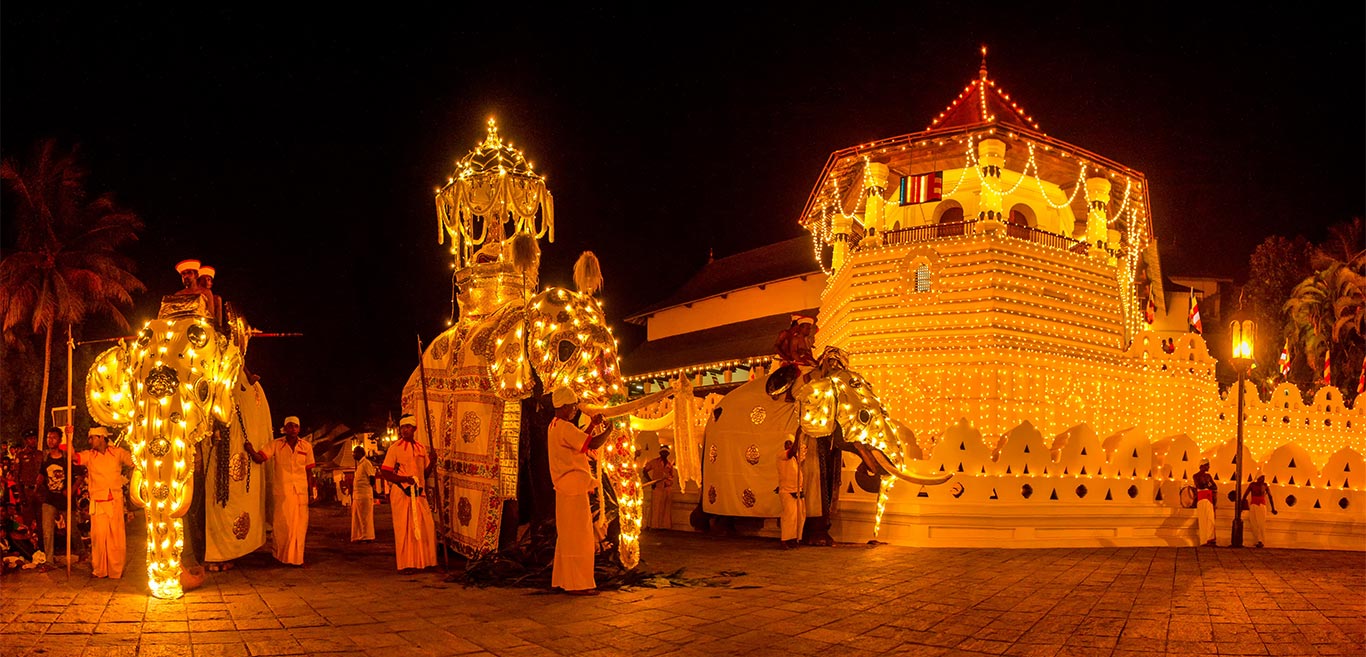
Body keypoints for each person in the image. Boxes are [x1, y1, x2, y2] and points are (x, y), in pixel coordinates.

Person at [547, 388, 613, 595]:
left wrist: (593, 425)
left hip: (565, 488)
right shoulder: (565, 427)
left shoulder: (554, 426)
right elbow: (591, 443)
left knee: (567, 537)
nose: (575, 410)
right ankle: (579, 584)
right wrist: (609, 430)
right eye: (574, 406)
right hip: (574, 488)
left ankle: (564, 580)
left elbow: (579, 442)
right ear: (565, 407)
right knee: (580, 538)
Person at [245, 416, 315, 566]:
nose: (293, 429)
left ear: (299, 429)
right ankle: (280, 557)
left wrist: (312, 491)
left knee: (300, 526)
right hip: (283, 492)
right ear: (285, 428)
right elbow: (259, 458)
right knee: (283, 526)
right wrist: (250, 449)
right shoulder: (276, 445)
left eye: (295, 426)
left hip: (301, 492)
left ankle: (298, 558)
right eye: (290, 426)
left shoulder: (306, 447)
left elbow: (309, 472)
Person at [65, 427, 133, 578]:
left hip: (115, 498)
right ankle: (100, 569)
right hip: (98, 500)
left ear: (102, 438)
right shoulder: (89, 456)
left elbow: (134, 462)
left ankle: (116, 571)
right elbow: (73, 457)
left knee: (116, 537)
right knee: (98, 537)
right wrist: (68, 437)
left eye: (93, 438)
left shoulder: (118, 452)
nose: (90, 441)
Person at [379, 415, 437, 571]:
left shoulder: (421, 448)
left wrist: (432, 462)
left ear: (414, 429)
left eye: (408, 427)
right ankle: (406, 564)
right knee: (404, 529)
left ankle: (427, 562)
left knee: (426, 527)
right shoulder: (394, 448)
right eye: (402, 427)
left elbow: (424, 474)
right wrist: (404, 479)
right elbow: (386, 472)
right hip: (401, 493)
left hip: (419, 493)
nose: (405, 430)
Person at [37, 427, 70, 569]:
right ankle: (49, 560)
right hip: (49, 498)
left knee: (72, 528)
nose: (50, 440)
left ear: (60, 440)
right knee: (47, 530)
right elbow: (41, 475)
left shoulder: (66, 457)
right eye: (48, 437)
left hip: (64, 499)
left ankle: (81, 550)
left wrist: (71, 489)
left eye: (53, 437)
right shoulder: (45, 457)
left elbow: (79, 475)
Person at [776, 437, 805, 549]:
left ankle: (794, 539)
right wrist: (798, 435)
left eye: (791, 443)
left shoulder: (795, 459)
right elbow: (792, 452)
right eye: (787, 443)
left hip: (797, 491)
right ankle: (785, 540)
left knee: (799, 517)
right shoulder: (782, 455)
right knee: (789, 516)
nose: (789, 445)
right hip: (787, 491)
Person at [643, 448, 675, 529]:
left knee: (666, 507)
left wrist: (669, 483)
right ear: (660, 453)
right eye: (663, 452)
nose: (664, 454)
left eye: (666, 453)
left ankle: (664, 526)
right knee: (656, 507)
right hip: (657, 486)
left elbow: (672, 475)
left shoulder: (669, 464)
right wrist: (651, 481)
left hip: (666, 487)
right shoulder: (654, 462)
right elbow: (645, 470)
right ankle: (654, 526)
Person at [1242, 475, 1277, 548]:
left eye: (1264, 478)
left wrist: (1273, 508)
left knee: (1261, 523)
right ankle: (1256, 540)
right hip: (1253, 505)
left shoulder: (1265, 485)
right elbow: (1245, 495)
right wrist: (1242, 505)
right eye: (1262, 478)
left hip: (1261, 505)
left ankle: (1261, 541)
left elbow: (1270, 496)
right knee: (1253, 523)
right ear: (1258, 478)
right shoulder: (1252, 485)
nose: (1263, 479)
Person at [350, 447, 376, 542]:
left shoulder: (366, 463)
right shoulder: (360, 465)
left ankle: (367, 536)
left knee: (365, 517)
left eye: (355, 453)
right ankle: (359, 536)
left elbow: (372, 477)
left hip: (364, 494)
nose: (353, 455)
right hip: (358, 495)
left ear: (360, 453)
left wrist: (370, 488)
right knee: (358, 517)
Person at [1192, 460, 1218, 546]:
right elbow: (1199, 485)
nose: (1208, 467)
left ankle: (1210, 539)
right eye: (1207, 465)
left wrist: (1207, 485)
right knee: (1203, 519)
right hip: (1201, 498)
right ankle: (1204, 540)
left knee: (1210, 519)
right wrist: (1208, 485)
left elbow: (1215, 486)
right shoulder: (1196, 476)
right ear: (1202, 466)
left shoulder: (1208, 476)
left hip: (1209, 498)